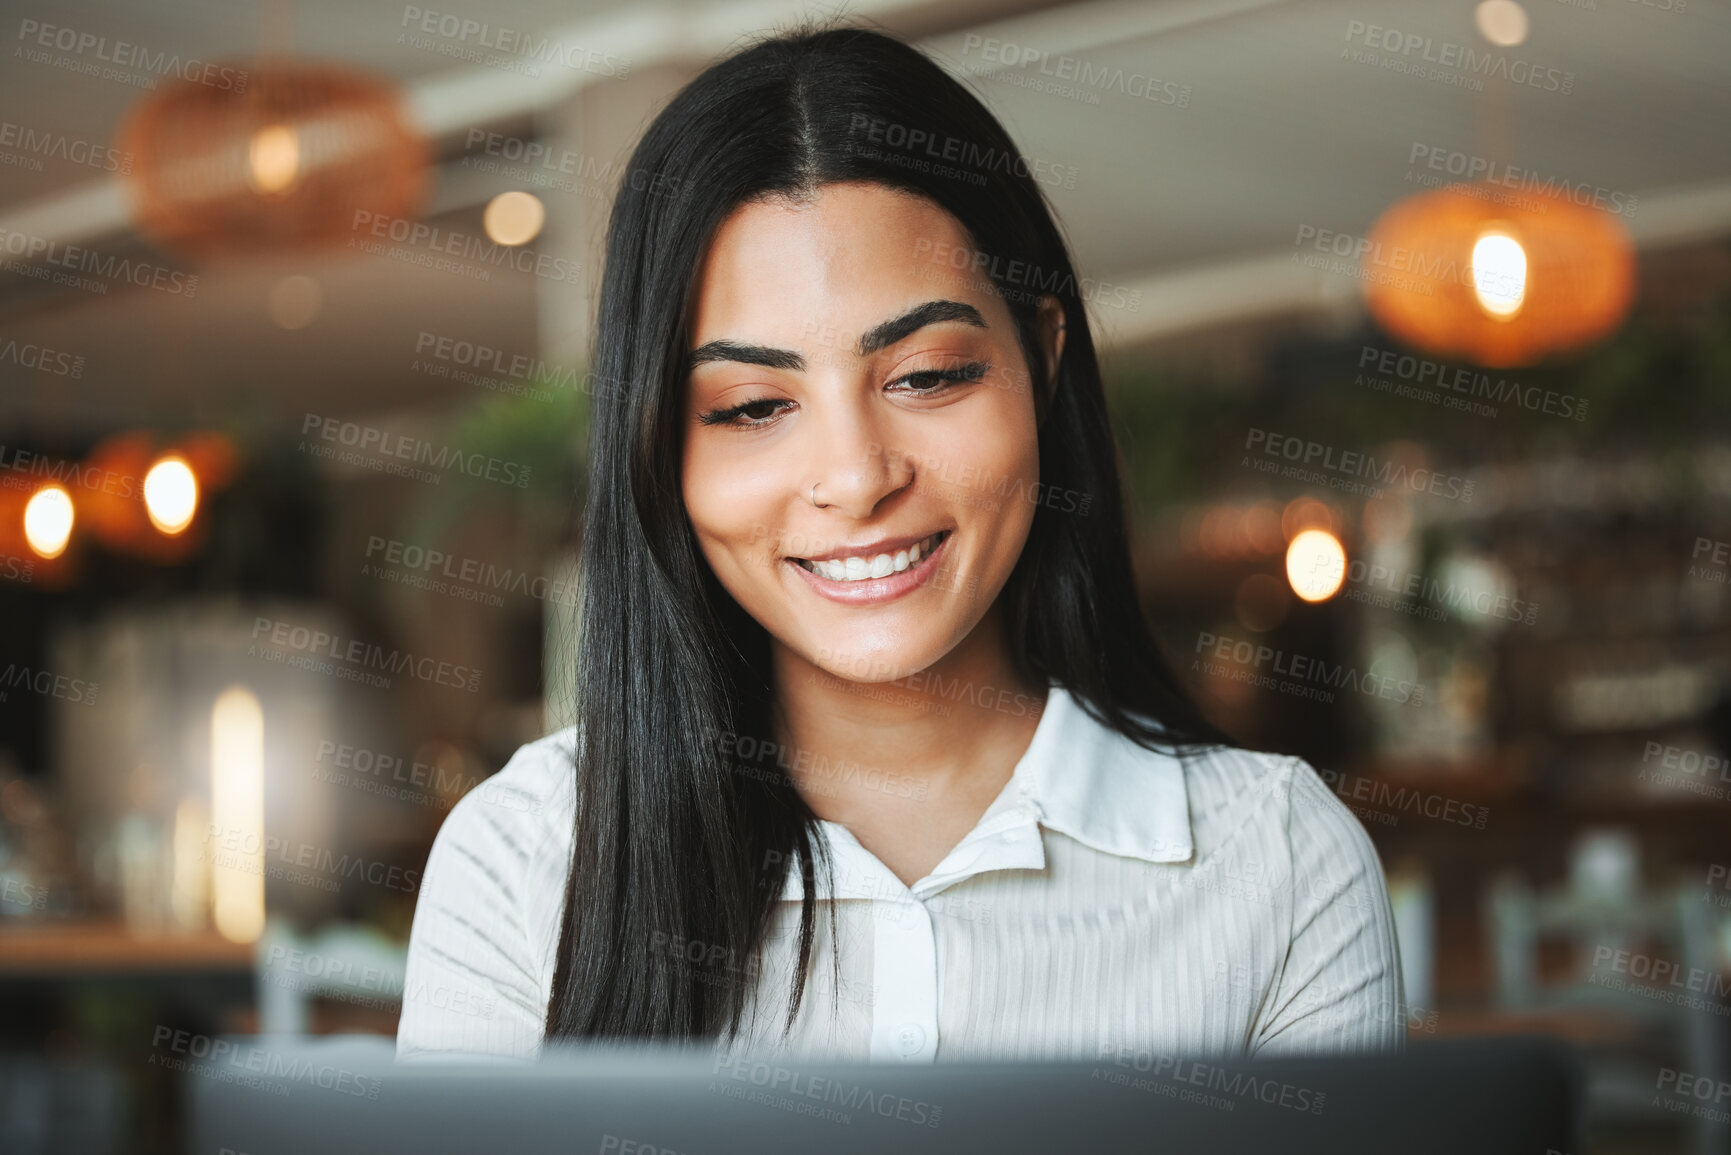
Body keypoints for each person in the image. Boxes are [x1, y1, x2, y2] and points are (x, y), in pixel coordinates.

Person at [397, 23, 1403, 1064]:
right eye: (750, 406)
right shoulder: (527, 859)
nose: (858, 476)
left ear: (1043, 365)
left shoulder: (1277, 865)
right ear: (656, 445)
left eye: (925, 376)